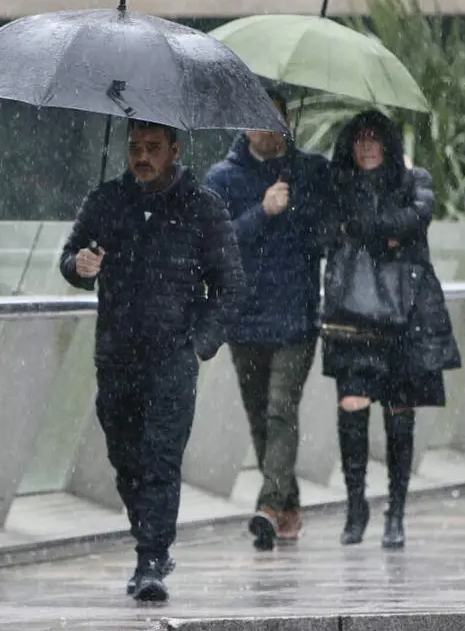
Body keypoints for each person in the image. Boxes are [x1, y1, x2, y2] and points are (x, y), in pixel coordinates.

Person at [59, 119, 245, 602]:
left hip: (172, 357)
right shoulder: (105, 202)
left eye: (153, 148)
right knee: (126, 458)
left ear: (175, 150)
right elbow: (70, 258)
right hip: (117, 353)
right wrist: (79, 265)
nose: (142, 156)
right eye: (135, 147)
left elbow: (230, 287)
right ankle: (152, 541)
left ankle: (150, 559)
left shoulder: (203, 207)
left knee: (161, 456)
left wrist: (198, 343)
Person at [320, 110, 461, 549]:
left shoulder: (412, 180)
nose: (366, 147)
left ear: (387, 143)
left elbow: (416, 218)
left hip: (407, 318)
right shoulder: (337, 183)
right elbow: (324, 232)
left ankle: (396, 510)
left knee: (400, 415)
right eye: (358, 139)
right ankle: (355, 503)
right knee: (352, 407)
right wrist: (379, 234)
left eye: (374, 138)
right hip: (353, 316)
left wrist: (363, 229)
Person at [202, 89, 332, 551]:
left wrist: (302, 208)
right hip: (244, 319)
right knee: (260, 417)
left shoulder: (310, 171)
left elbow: (328, 229)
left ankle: (270, 505)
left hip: (295, 316)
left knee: (281, 409)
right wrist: (263, 210)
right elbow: (214, 245)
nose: (267, 129)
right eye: (257, 120)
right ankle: (288, 508)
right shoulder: (222, 178)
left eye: (274, 119)